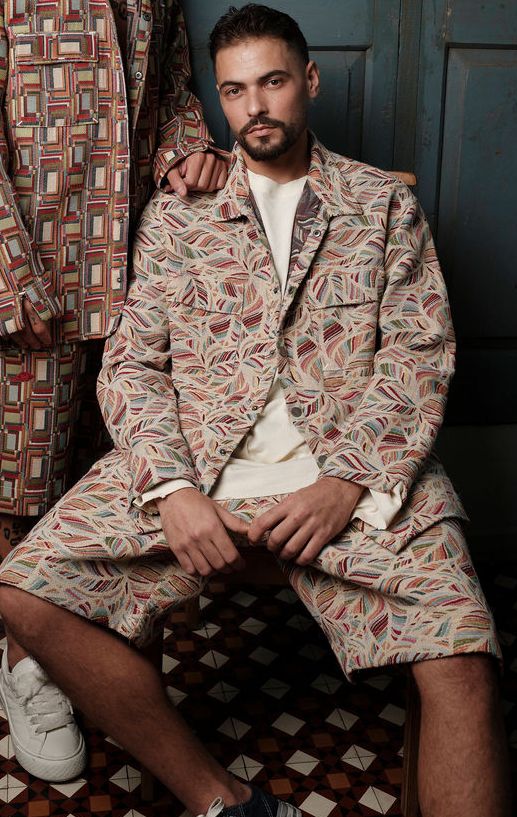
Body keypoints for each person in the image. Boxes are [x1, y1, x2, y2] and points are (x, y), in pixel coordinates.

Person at [0, 4, 511, 816]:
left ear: (309, 80)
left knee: (465, 657)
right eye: (234, 91)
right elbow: (132, 365)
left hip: (358, 484)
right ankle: (224, 800)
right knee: (22, 589)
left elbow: (419, 354)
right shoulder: (177, 214)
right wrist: (173, 490)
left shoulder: (382, 205)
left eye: (272, 82)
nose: (255, 107)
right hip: (202, 473)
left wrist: (348, 481)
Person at [0, 0, 227, 783]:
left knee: (128, 473)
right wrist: (6, 271)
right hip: (39, 270)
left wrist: (189, 151)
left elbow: (171, 90)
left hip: (137, 264)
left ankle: (112, 665)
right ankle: (25, 665)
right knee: (22, 482)